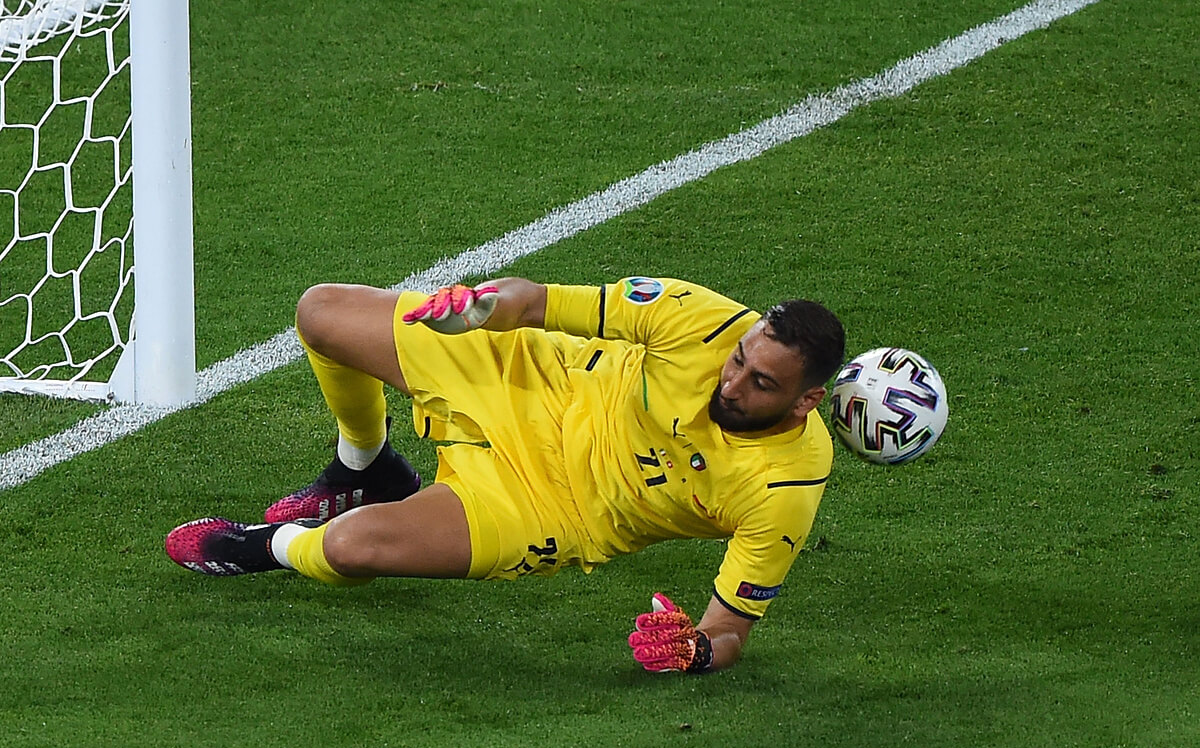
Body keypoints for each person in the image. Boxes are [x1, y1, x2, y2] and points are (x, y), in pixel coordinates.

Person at [165, 276, 845, 674]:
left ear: (807, 400)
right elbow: (536, 301)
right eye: (736, 362)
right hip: (533, 379)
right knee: (320, 313)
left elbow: (730, 631)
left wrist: (696, 652)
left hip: (548, 509)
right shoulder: (697, 318)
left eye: (760, 384)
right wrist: (484, 307)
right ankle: (365, 466)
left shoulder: (784, 490)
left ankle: (258, 548)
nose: (731, 386)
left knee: (349, 547)